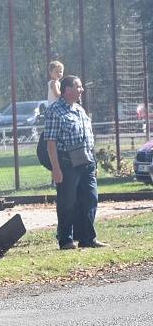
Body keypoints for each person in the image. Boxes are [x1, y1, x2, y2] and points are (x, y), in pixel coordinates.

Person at [44, 75, 107, 250]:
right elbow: (50, 142)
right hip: (67, 164)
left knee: (90, 199)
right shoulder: (55, 111)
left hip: (87, 163)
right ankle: (66, 240)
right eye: (78, 87)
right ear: (67, 90)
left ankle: (88, 239)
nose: (82, 90)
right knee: (67, 202)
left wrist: (93, 163)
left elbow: (89, 139)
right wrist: (56, 169)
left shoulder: (79, 110)